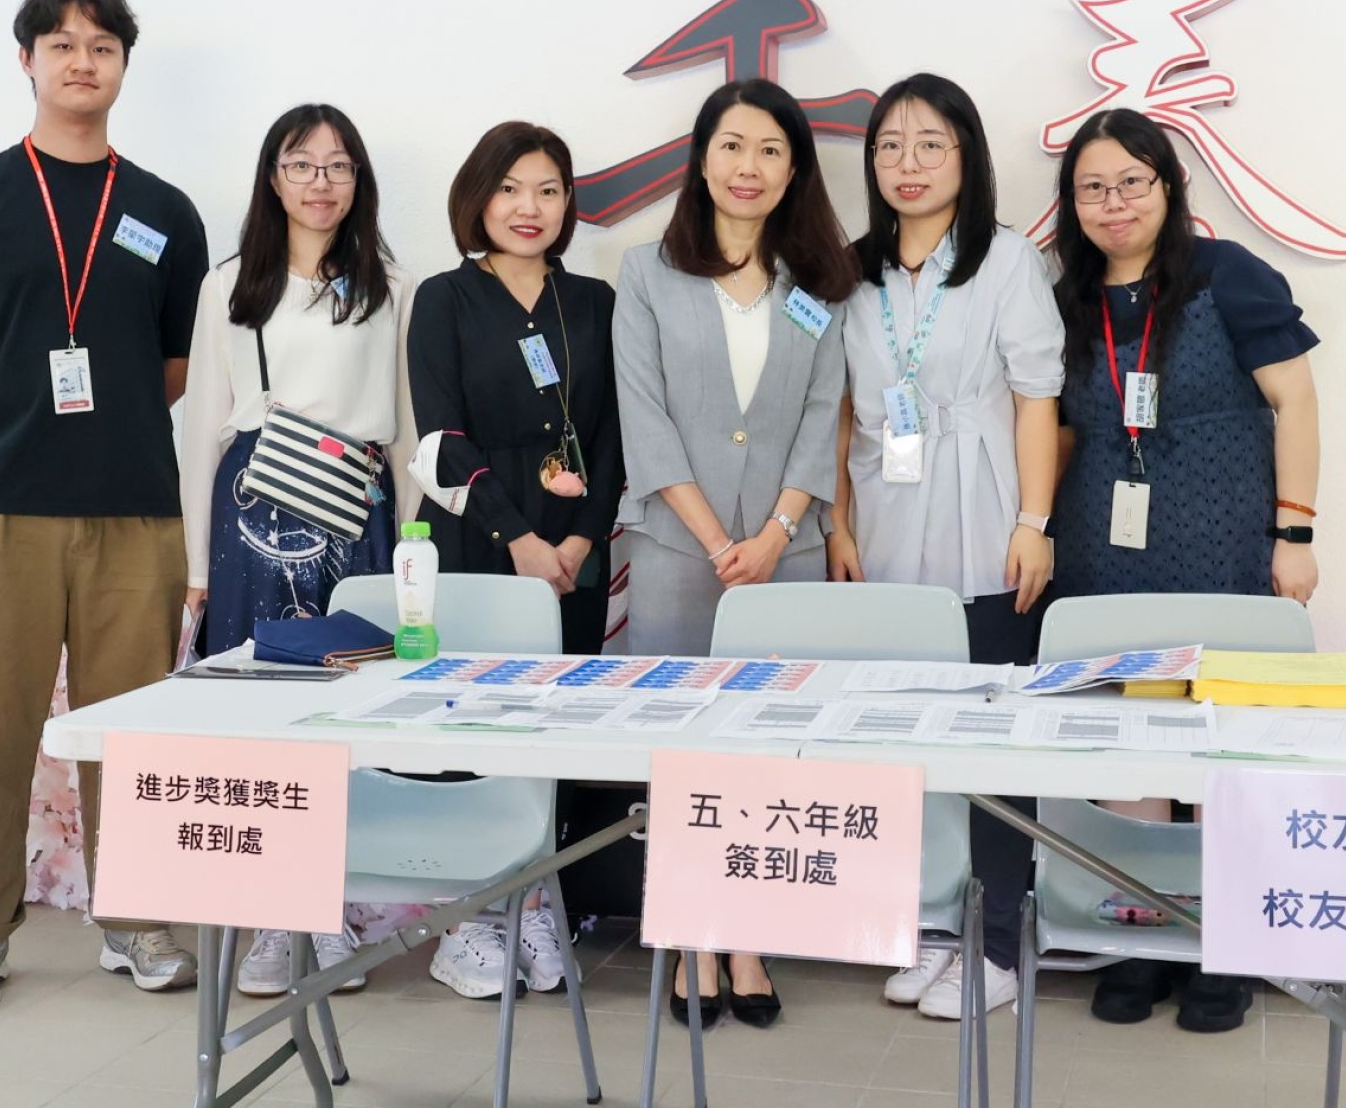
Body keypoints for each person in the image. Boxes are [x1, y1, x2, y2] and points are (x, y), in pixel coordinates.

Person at [0, 0, 207, 1009]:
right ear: (26, 60)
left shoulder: (163, 211)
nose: (82, 61)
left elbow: (177, 364)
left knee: (132, 732)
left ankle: (138, 919)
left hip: (134, 511)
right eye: (61, 44)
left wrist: (102, 427)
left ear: (122, 67)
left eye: (102, 46)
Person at [1049, 107, 1320, 1032]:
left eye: (1132, 181)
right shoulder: (1068, 296)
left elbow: (1296, 401)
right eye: (1092, 187)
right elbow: (1060, 426)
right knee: (1131, 742)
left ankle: (1225, 945)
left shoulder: (1227, 275)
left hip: (1221, 540)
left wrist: (1296, 533)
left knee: (1218, 746)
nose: (1113, 202)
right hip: (1104, 546)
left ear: (1168, 186)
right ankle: (1141, 934)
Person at [614, 77, 859, 1027]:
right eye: (731, 146)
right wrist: (721, 542)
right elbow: (645, 417)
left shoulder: (817, 284)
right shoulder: (647, 272)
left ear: (794, 170)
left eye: (769, 150)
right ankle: (690, 938)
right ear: (702, 158)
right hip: (680, 549)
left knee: (764, 745)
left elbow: (819, 416)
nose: (747, 167)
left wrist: (776, 535)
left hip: (784, 555)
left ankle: (748, 938)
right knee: (684, 746)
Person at [826, 74, 1063, 1022]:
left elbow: (1037, 397)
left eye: (930, 144)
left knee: (993, 737)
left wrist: (1033, 523)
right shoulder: (851, 271)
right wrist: (839, 523)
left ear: (968, 156)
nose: (908, 163)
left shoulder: (1006, 259)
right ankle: (929, 921)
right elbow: (839, 408)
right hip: (885, 514)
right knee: (903, 731)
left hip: (985, 512)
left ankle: (997, 942)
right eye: (889, 146)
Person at [179, 103, 406, 998]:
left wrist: (413, 543)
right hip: (250, 514)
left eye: (339, 165)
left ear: (360, 182)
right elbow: (203, 425)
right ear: (273, 179)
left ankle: (332, 910)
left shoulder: (391, 285)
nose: (321, 182)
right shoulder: (231, 285)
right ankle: (280, 916)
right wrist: (196, 566)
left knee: (350, 706)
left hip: (359, 512)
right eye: (301, 164)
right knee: (264, 711)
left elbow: (406, 423)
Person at [406, 121, 623, 998]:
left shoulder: (595, 302)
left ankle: (533, 902)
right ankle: (467, 921)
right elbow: (441, 436)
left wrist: (578, 540)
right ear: (478, 198)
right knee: (475, 722)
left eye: (547, 190)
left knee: (556, 724)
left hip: (573, 550)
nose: (528, 207)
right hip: (476, 540)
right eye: (508, 189)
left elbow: (614, 438)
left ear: (568, 203)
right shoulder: (444, 298)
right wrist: (521, 540)